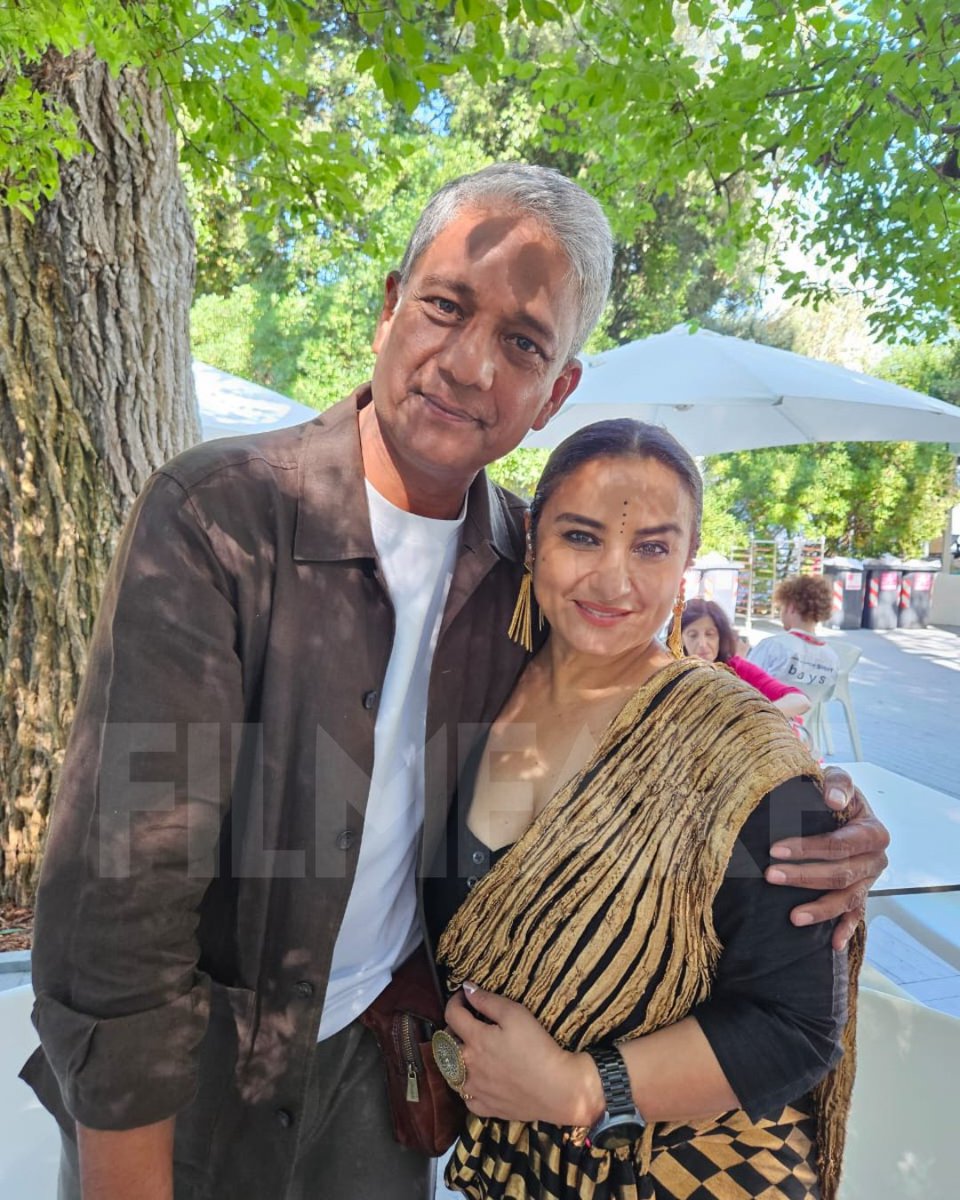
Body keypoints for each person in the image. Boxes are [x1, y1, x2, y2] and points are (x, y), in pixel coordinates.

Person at [22, 164, 886, 1200]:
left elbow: (667, 733)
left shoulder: (537, 564)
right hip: (192, 1081)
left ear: (557, 389)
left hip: (378, 1086)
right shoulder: (221, 519)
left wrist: (818, 820)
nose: (471, 364)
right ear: (390, 307)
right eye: (445, 305)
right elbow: (124, 887)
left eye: (524, 342)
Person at [427, 420, 858, 1200]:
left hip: (687, 1174)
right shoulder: (474, 689)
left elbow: (799, 1026)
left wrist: (583, 1089)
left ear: (688, 560)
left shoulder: (742, 747)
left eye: (652, 548)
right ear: (533, 538)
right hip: (514, 1170)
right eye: (582, 537)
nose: (614, 582)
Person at [681, 596, 810, 720]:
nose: (702, 643)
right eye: (692, 635)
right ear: (679, 639)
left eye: (710, 634)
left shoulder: (736, 668)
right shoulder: (671, 674)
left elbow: (799, 701)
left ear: (721, 636)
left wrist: (749, 718)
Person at [749, 575, 840, 705]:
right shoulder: (832, 658)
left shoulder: (773, 646)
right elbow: (825, 698)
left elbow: (743, 686)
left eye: (781, 607)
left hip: (767, 720)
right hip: (805, 724)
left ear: (791, 607)